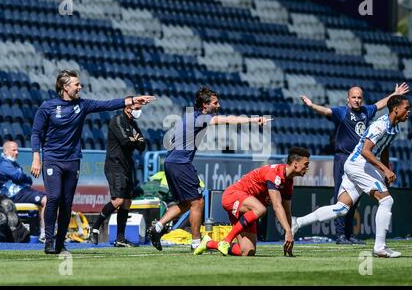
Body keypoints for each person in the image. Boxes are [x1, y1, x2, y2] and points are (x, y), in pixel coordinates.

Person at [30, 69, 155, 254]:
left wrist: (133, 100)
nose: (80, 87)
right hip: (52, 159)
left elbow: (107, 104)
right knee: (54, 198)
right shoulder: (47, 106)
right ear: (65, 87)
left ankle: (59, 243)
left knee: (66, 203)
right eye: (76, 84)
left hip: (73, 161)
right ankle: (49, 240)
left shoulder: (83, 105)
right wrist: (36, 157)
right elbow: (36, 133)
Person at [147, 86, 271, 251]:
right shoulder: (201, 118)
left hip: (171, 162)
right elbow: (227, 120)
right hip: (181, 163)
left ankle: (157, 228)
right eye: (215, 103)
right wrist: (253, 120)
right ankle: (196, 242)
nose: (218, 105)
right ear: (205, 105)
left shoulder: (189, 116)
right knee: (198, 202)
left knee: (185, 204)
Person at [292, 95, 411, 258]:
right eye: (406, 108)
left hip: (359, 165)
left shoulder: (394, 128)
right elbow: (365, 151)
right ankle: (380, 247)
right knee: (386, 200)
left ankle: (297, 222)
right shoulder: (380, 126)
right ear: (396, 109)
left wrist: (384, 172)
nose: (409, 111)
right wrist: (386, 170)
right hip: (359, 164)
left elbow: (384, 149)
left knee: (341, 208)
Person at [194, 147, 310, 257]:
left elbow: (287, 211)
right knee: (260, 209)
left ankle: (209, 243)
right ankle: (226, 240)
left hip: (247, 209)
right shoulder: (275, 173)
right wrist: (288, 231)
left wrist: (289, 235)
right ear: (295, 164)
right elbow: (276, 205)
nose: (307, 168)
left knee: (247, 251)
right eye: (306, 164)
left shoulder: (288, 184)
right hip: (233, 196)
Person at [90, 103, 146, 247]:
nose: (139, 112)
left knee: (127, 202)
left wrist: (134, 140)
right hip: (115, 165)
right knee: (118, 200)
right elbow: (125, 141)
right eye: (137, 109)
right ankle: (95, 228)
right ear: (128, 108)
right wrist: (134, 140)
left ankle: (120, 239)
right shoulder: (117, 120)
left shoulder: (133, 124)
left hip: (127, 166)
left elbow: (142, 145)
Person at [0, 141, 47, 242]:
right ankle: (45, 233)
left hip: (23, 192)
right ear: (5, 151)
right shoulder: (3, 164)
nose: (17, 152)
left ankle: (39, 235)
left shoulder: (13, 164)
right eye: (14, 150)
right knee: (45, 200)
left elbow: (29, 180)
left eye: (17, 150)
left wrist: (21, 175)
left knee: (50, 199)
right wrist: (21, 174)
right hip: (14, 196)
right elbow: (18, 176)